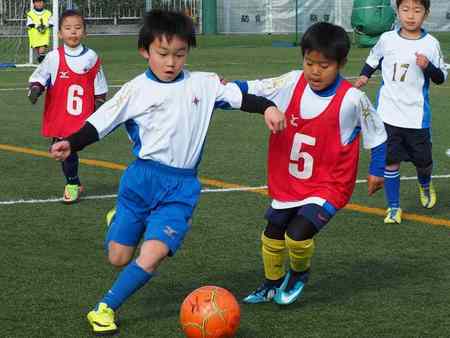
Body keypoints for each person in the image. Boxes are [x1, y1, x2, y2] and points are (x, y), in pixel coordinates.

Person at [49, 9, 285, 335]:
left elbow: (242, 98)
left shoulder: (204, 84)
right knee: (118, 257)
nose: (171, 62)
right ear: (145, 51)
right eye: (162, 54)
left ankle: (104, 308)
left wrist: (268, 107)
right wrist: (71, 143)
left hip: (181, 189)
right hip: (141, 181)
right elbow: (100, 123)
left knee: (153, 254)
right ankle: (119, 219)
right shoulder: (135, 89)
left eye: (179, 54)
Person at [232, 22, 387, 306]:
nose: (315, 71)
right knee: (272, 232)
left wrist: (377, 170)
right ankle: (270, 284)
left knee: (297, 235)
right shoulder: (292, 82)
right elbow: (255, 87)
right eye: (309, 62)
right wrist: (220, 91)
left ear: (340, 64)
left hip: (330, 184)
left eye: (324, 65)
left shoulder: (352, 99)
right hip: (289, 181)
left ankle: (299, 274)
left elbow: (377, 133)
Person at [355, 0, 447, 223]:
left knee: (423, 163)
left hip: (416, 117)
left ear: (426, 14)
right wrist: (364, 76)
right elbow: (373, 60)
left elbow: (441, 78)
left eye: (417, 10)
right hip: (388, 115)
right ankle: (394, 208)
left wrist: (429, 67)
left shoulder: (431, 44)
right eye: (405, 10)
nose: (410, 15)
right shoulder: (387, 39)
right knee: (390, 162)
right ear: (397, 12)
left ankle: (425, 184)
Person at [28, 9, 108, 204]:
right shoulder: (54, 57)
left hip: (83, 115)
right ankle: (73, 183)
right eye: (68, 28)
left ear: (85, 32)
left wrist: (99, 102)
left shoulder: (91, 57)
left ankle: (72, 184)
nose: (73, 32)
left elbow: (99, 84)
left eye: (78, 28)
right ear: (59, 34)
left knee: (67, 148)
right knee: (63, 149)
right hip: (60, 113)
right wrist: (36, 89)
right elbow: (40, 76)